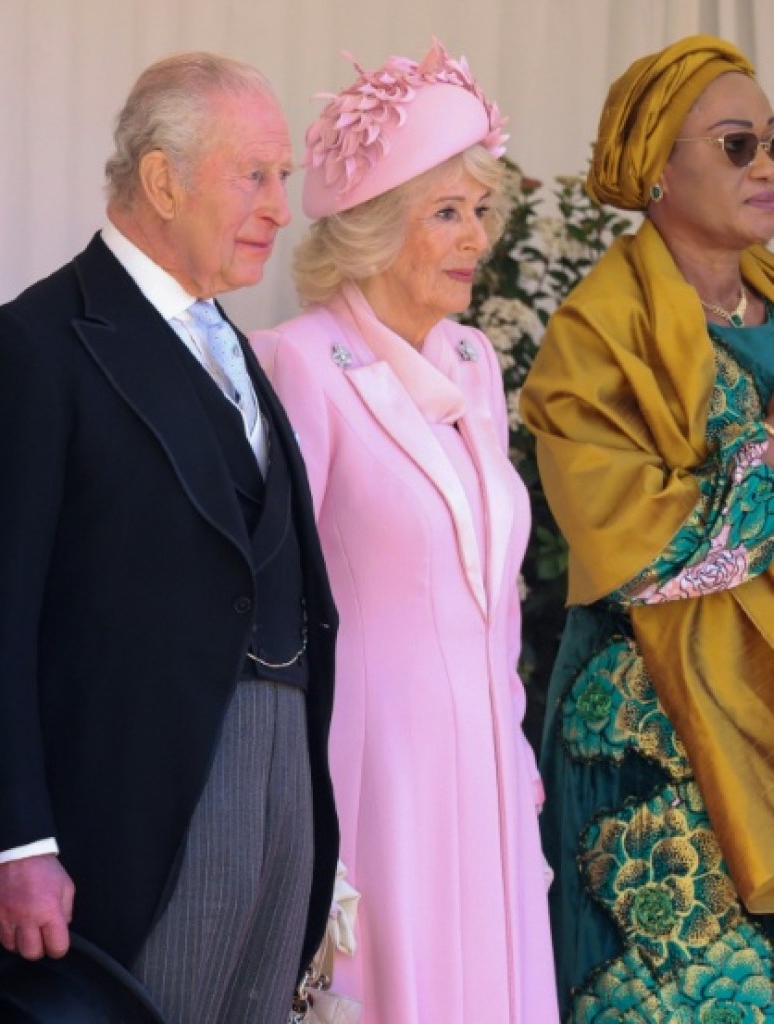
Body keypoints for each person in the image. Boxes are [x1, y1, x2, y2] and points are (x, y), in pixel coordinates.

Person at [0, 52, 339, 1024]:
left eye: (281, 178)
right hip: (130, 809)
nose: (281, 208)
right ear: (162, 180)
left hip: (279, 780)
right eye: (256, 175)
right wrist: (12, 840)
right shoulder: (31, 345)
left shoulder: (234, 346)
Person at [251, 39, 558, 1024]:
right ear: (376, 229)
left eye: (480, 211)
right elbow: (274, 602)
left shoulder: (471, 359)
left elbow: (493, 591)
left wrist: (514, 752)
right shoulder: (299, 362)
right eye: (446, 213)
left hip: (489, 768)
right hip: (376, 775)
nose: (476, 237)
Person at [521, 35, 774, 1022]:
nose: (766, 165)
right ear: (655, 170)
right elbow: (634, 541)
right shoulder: (593, 335)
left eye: (773, 141)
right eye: (737, 144)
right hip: (655, 741)